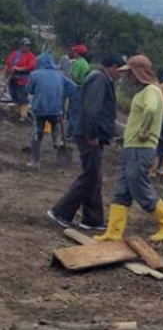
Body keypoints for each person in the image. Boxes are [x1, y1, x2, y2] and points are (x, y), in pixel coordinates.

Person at [94, 55, 163, 242]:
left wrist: (143, 131)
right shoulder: (145, 91)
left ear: (139, 73)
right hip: (132, 147)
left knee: (139, 186)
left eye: (129, 73)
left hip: (141, 147)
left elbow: (149, 110)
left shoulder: (151, 91)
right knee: (122, 189)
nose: (127, 77)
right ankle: (113, 232)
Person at [47, 56, 125, 230]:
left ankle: (93, 219)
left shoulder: (102, 78)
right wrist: (91, 134)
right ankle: (61, 212)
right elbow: (91, 109)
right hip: (90, 136)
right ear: (113, 66)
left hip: (93, 135)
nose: (122, 75)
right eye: (120, 70)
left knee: (94, 176)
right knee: (90, 176)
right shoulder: (99, 79)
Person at [26, 51, 77, 168]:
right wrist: (62, 94)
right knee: (55, 128)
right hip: (56, 109)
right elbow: (73, 88)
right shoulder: (60, 75)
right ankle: (57, 144)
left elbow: (29, 90)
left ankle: (35, 161)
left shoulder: (35, 74)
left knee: (37, 133)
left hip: (40, 109)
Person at [3, 37, 36, 122]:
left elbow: (31, 66)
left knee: (22, 97)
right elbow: (8, 63)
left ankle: (23, 116)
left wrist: (19, 68)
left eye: (28, 45)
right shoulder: (15, 53)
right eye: (25, 45)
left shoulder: (31, 56)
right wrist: (5, 74)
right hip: (12, 78)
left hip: (22, 79)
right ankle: (17, 113)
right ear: (21, 45)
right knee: (14, 95)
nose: (27, 47)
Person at [66, 44, 90, 140]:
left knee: (74, 112)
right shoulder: (86, 63)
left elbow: (74, 77)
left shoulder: (78, 63)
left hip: (77, 88)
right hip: (83, 89)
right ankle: (71, 132)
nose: (73, 53)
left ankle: (73, 134)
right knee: (78, 111)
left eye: (75, 51)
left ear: (78, 53)